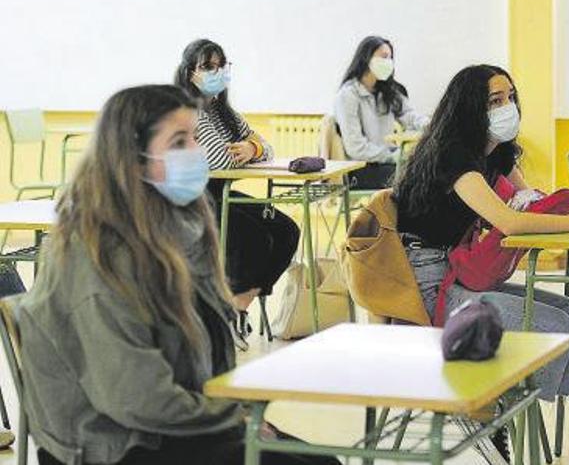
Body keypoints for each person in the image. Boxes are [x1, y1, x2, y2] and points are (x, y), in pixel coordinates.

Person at [17, 85, 340, 465]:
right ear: (132, 159)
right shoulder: (98, 257)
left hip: (166, 426)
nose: (197, 153)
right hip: (116, 446)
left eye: (196, 138)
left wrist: (230, 415)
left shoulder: (174, 229)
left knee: (319, 461)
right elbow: (136, 398)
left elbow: (200, 357)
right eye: (180, 142)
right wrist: (231, 416)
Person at [394, 64, 569, 403]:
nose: (507, 106)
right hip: (431, 283)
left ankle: (526, 410)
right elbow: (510, 222)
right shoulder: (453, 156)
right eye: (495, 100)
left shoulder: (497, 152)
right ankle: (505, 411)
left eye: (510, 97)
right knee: (554, 324)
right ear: (470, 109)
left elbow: (531, 203)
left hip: (463, 271)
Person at [175, 39, 300, 330]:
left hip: (221, 194)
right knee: (255, 239)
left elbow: (266, 147)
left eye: (221, 66)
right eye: (208, 66)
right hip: (192, 201)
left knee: (286, 230)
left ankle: (238, 307)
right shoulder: (189, 110)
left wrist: (252, 148)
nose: (217, 72)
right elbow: (222, 160)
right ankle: (224, 314)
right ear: (189, 73)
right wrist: (246, 148)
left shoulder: (222, 111)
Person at [335, 35, 429, 189]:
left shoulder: (386, 91)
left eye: (390, 58)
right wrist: (394, 156)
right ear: (366, 58)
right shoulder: (348, 95)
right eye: (384, 57)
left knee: (428, 170)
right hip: (361, 169)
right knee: (419, 178)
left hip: (386, 162)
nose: (388, 63)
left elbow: (409, 116)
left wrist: (432, 125)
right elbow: (355, 148)